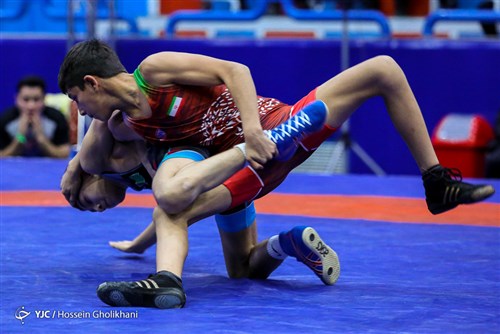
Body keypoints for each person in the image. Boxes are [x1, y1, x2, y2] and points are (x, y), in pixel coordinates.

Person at [59, 39, 495, 308]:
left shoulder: (153, 71)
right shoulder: (124, 127)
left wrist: (252, 131)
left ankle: (435, 181)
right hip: (246, 165)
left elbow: (235, 71)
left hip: (269, 132)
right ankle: (288, 242)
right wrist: (80, 167)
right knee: (233, 261)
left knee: (383, 68)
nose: (78, 110)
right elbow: (94, 160)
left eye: (78, 99)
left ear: (94, 82)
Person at [61, 115, 339, 309]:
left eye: (87, 201)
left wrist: (74, 167)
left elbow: (103, 110)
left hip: (226, 172)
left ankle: (166, 281)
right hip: (229, 185)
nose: (98, 208)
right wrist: (138, 245)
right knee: (242, 270)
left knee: (170, 211)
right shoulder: (129, 177)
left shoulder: (108, 156)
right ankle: (288, 242)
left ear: (90, 176)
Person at [0, 76, 70, 158]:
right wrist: (20, 137)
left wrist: (41, 138)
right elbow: (1, 155)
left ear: (44, 99)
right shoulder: (6, 119)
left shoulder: (57, 118)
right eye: (26, 99)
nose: (31, 106)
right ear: (17, 99)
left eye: (36, 99)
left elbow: (64, 154)